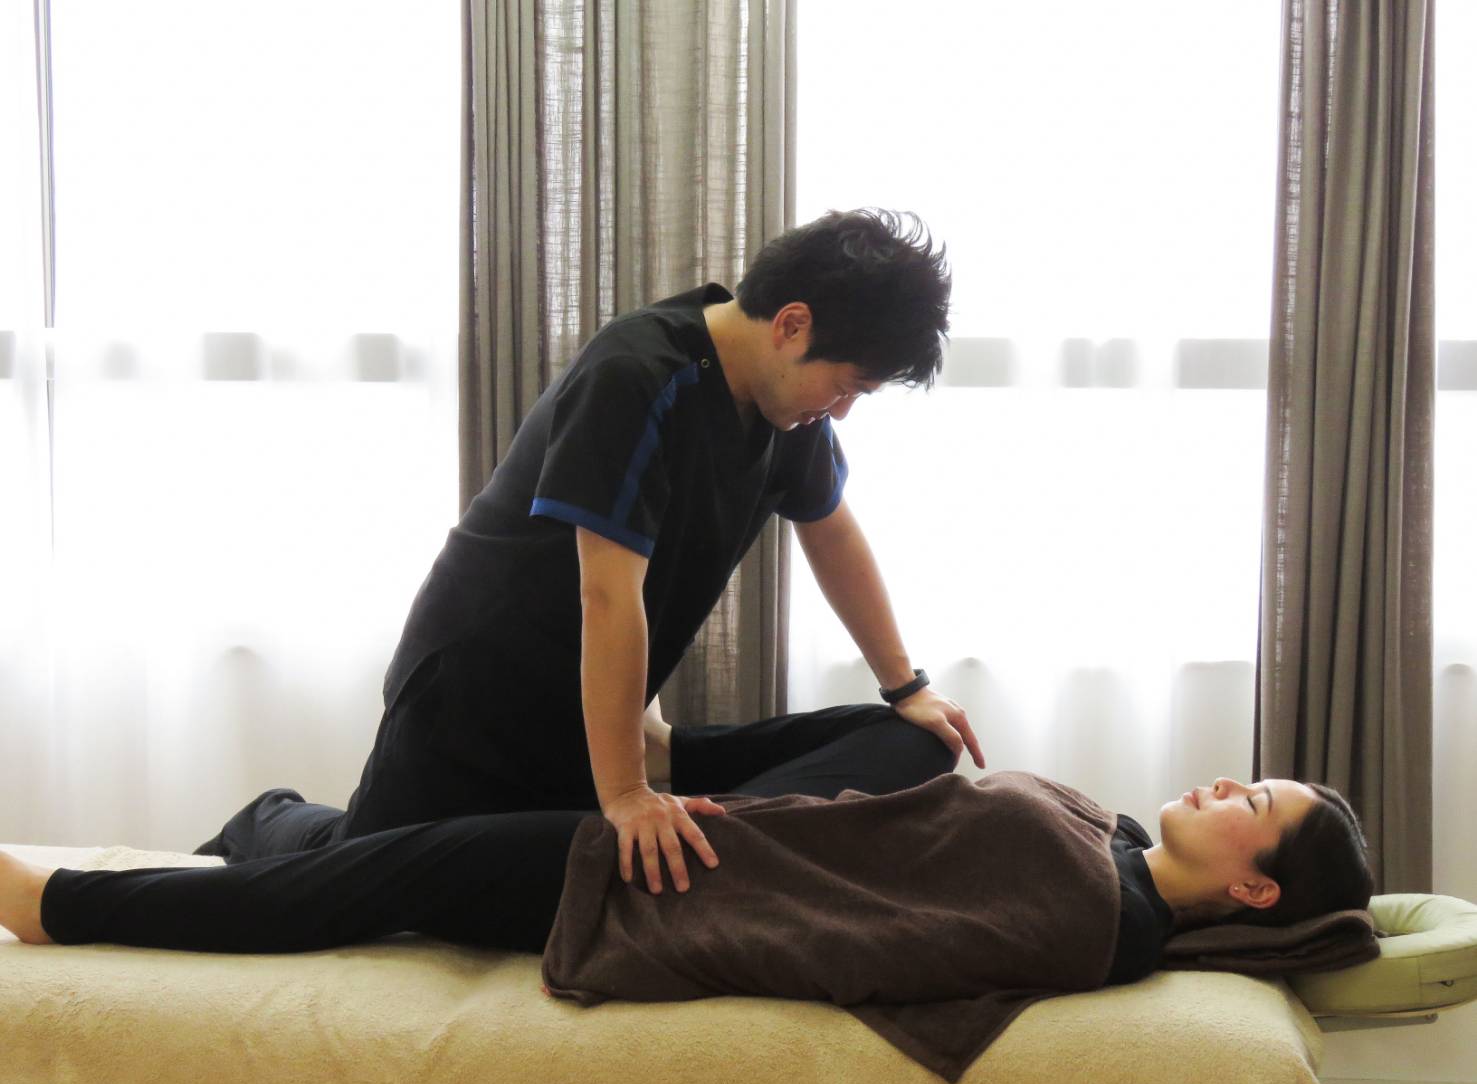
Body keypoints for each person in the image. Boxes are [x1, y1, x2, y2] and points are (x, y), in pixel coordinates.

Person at [198, 208, 985, 898]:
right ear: (791, 325)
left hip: (588, 712)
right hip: (471, 700)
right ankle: (266, 817)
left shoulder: (785, 411)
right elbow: (607, 594)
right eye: (847, 386)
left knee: (917, 738)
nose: (841, 411)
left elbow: (831, 530)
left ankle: (715, 831)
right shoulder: (638, 374)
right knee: (354, 869)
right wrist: (626, 794)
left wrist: (906, 688)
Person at [0, 775, 1374, 999]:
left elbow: (879, 946)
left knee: (369, 884)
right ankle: (265, 822)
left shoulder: (1099, 915)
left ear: (1256, 894)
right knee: (379, 851)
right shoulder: (1114, 855)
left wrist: (682, 933)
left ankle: (55, 905)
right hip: (692, 844)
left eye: (1249, 807)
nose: (1221, 787)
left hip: (661, 884)